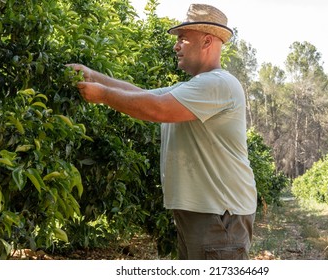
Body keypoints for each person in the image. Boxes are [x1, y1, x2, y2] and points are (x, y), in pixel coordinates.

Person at [68, 3, 257, 260]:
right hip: (207, 213)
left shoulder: (217, 83)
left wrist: (102, 95)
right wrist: (94, 76)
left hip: (219, 216)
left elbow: (156, 109)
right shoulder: (196, 86)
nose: (175, 46)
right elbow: (140, 95)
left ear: (207, 41)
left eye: (182, 39)